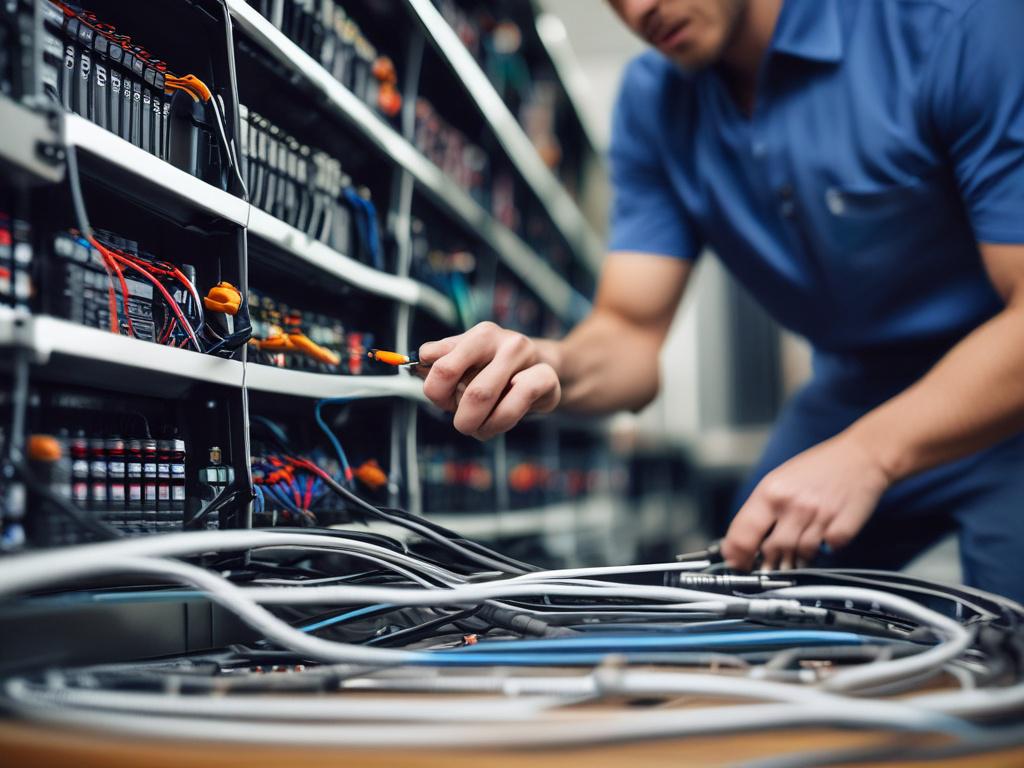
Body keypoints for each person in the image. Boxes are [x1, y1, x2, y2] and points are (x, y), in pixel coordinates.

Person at [416, 0, 1024, 601]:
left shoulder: (955, 24)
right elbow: (629, 333)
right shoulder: (655, 103)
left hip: (1001, 388)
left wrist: (869, 454)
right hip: (852, 390)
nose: (640, 9)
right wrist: (548, 364)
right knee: (743, 606)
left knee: (1010, 648)